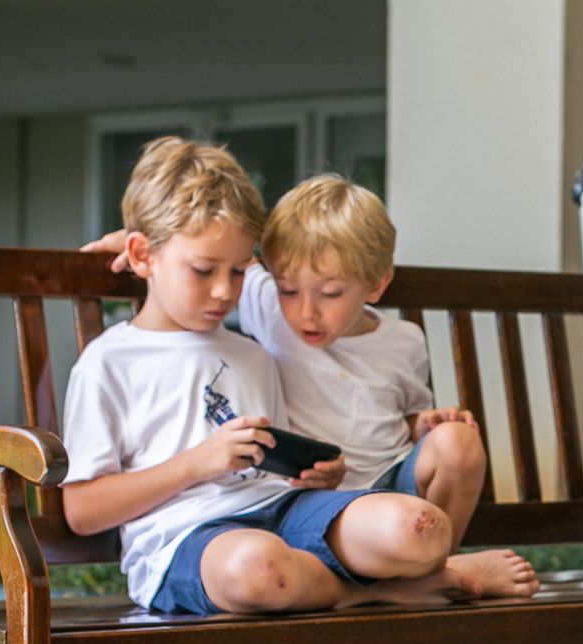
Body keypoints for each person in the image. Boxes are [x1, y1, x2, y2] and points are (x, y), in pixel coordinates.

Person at [62, 136, 537, 614]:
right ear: (142, 256)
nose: (224, 291)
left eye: (238, 272)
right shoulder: (110, 362)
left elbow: (278, 464)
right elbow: (81, 512)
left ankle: (409, 576)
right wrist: (198, 463)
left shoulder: (254, 355)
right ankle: (386, 592)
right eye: (204, 270)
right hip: (187, 538)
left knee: (419, 531)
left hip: (287, 511)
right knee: (259, 570)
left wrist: (320, 473)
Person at [90, 174, 493, 542]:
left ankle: (438, 564)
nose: (306, 312)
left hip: (393, 483)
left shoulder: (404, 341)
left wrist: (424, 423)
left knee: (459, 442)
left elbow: (405, 420)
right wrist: (145, 240)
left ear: (375, 285)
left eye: (330, 293)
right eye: (288, 290)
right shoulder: (268, 306)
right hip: (312, 503)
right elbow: (215, 248)